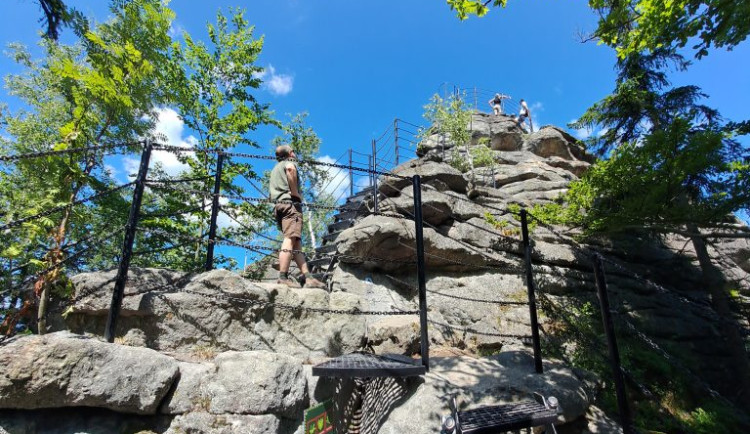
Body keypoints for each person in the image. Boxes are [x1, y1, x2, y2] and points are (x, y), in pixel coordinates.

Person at [269, 145, 326, 289]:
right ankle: (283, 277)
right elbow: (291, 170)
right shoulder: (289, 162)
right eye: (293, 151)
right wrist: (295, 194)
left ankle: (308, 278)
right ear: (290, 153)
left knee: (296, 244)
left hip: (279, 206)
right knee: (290, 239)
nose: (294, 153)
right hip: (290, 205)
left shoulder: (275, 169)